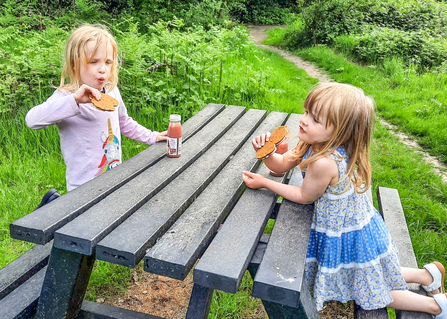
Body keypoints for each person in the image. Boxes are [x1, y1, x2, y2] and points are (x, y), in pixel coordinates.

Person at [242, 83, 447, 317]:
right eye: (307, 111)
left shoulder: (324, 162)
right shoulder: (311, 142)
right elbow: (281, 163)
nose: (305, 120)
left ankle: (437, 306)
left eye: (316, 119)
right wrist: (268, 154)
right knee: (366, 273)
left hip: (350, 235)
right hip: (357, 225)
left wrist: (266, 183)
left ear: (340, 131)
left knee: (371, 291)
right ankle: (426, 276)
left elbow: (304, 196)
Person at [26, 24, 167, 200]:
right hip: (82, 188)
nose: (103, 69)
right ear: (75, 63)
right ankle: (52, 204)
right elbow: (32, 120)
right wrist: (74, 101)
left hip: (113, 177)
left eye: (107, 62)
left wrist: (152, 137)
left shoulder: (112, 90)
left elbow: (124, 122)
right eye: (94, 62)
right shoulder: (67, 95)